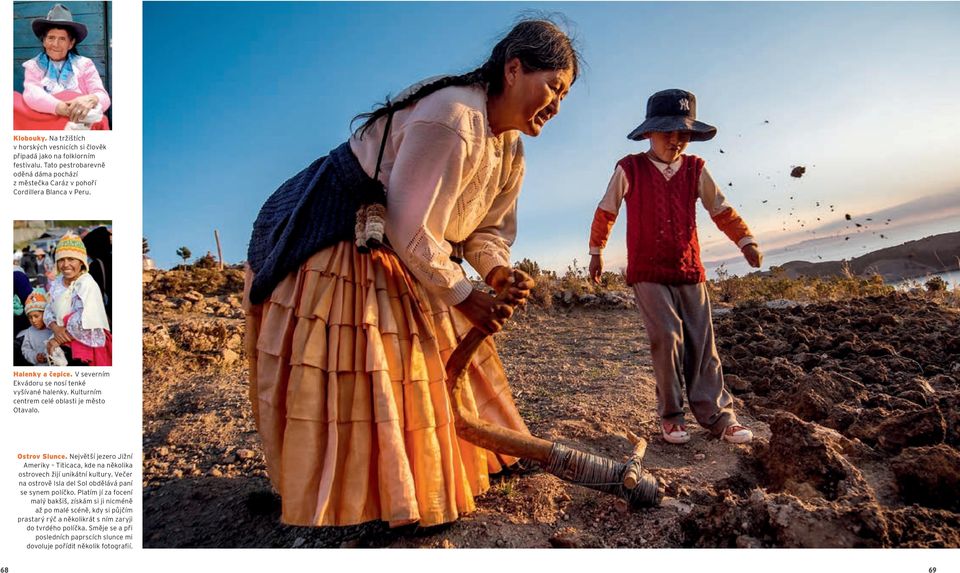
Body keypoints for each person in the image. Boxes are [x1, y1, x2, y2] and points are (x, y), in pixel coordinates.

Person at [245, 19, 579, 528]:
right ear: (514, 69)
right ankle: (357, 498)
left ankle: (430, 475)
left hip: (414, 245)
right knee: (370, 363)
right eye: (554, 86)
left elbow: (483, 230)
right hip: (344, 228)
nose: (558, 103)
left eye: (565, 94)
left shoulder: (509, 148)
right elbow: (409, 226)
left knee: (421, 361)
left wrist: (498, 272)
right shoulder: (451, 117)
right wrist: (465, 294)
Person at [588, 89, 763, 445]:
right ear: (649, 132)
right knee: (667, 336)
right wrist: (596, 251)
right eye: (667, 132)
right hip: (647, 271)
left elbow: (721, 209)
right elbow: (607, 210)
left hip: (688, 269)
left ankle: (718, 417)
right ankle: (671, 415)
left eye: (682, 133)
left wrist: (745, 241)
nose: (675, 140)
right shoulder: (630, 168)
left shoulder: (696, 170)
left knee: (702, 342)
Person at [14, 3, 111, 130]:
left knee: (98, 119)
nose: (55, 44)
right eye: (51, 38)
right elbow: (32, 93)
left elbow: (103, 97)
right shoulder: (33, 66)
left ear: (71, 43)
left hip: (77, 115)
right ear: (44, 41)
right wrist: (61, 107)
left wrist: (92, 99)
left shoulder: (85, 64)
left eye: (62, 39)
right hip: (47, 114)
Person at [44, 233, 112, 366]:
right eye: (61, 259)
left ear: (81, 261)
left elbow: (88, 319)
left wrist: (58, 340)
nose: (66, 264)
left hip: (85, 346)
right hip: (62, 340)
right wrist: (56, 328)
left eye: (71, 259)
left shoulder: (86, 283)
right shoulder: (57, 283)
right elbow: (48, 309)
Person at [16, 288, 62, 366]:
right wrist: (35, 357)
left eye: (36, 316)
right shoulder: (29, 332)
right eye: (30, 317)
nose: (33, 320)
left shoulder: (54, 329)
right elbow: (26, 350)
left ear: (45, 314)